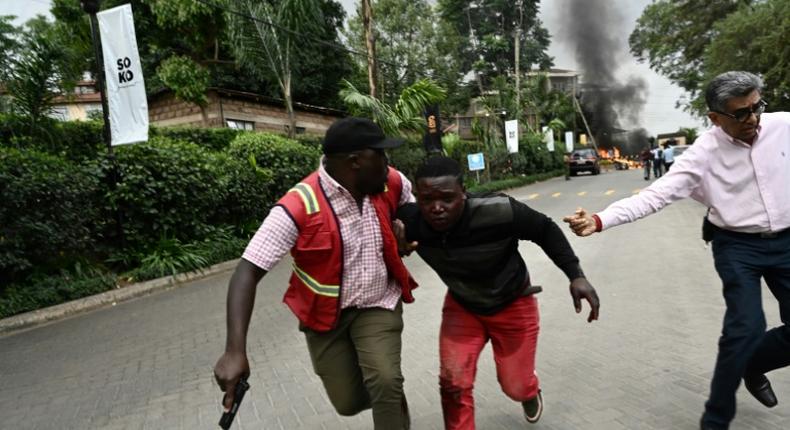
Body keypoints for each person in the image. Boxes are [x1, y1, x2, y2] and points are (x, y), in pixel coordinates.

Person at [562, 71, 790, 430]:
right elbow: (655, 196)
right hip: (737, 246)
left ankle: (752, 364)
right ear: (715, 118)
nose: (754, 119)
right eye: (741, 113)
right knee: (745, 325)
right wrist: (600, 219)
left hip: (787, 240)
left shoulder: (783, 126)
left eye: (756, 107)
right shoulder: (700, 155)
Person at [213, 117, 419, 430]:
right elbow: (247, 271)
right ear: (356, 162)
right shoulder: (299, 204)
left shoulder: (389, 181)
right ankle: (386, 398)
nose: (389, 164)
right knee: (347, 402)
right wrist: (234, 350)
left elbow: (410, 207)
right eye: (381, 156)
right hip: (326, 319)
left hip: (379, 302)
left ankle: (389, 399)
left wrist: (403, 230)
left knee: (386, 381)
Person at [395, 156, 600, 429]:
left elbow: (545, 229)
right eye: (426, 200)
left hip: (513, 301)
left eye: (446, 198)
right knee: (453, 382)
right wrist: (397, 243)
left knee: (515, 386)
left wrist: (576, 275)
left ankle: (529, 390)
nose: (436, 208)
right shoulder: (410, 222)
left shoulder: (498, 210)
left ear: (463, 193)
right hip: (463, 305)